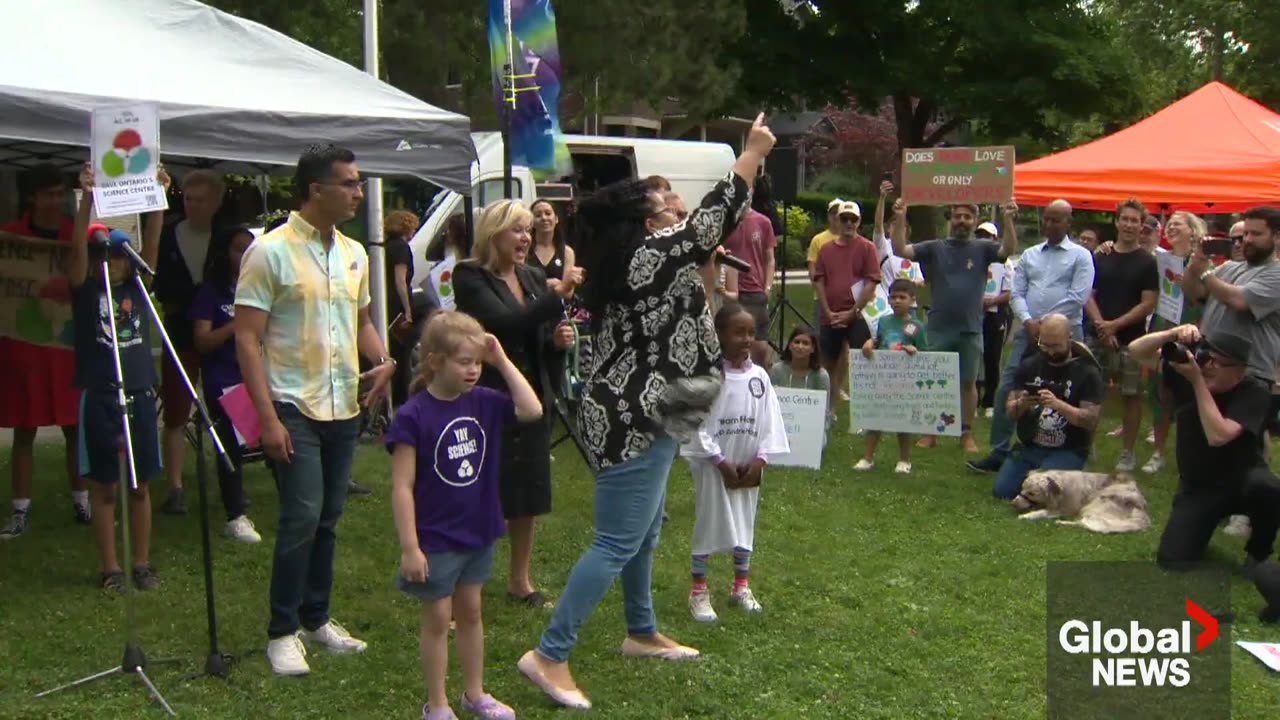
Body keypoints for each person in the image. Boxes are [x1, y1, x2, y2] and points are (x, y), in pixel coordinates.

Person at [516, 113, 777, 710]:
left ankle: (641, 632)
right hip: (638, 415)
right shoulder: (647, 256)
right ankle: (549, 655)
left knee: (646, 530)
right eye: (665, 201)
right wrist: (752, 152)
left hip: (657, 409)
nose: (677, 205)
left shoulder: (638, 257)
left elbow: (699, 237)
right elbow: (716, 218)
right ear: (643, 220)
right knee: (616, 539)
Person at [234, 144, 396, 676]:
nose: (357, 192)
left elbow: (364, 320)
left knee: (328, 516)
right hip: (292, 402)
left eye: (357, 182)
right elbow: (247, 340)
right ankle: (281, 630)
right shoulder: (269, 252)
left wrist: (384, 360)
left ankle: (316, 616)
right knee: (301, 514)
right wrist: (268, 419)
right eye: (348, 183)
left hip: (343, 405)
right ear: (315, 190)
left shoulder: (353, 252)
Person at [388, 311, 542, 720]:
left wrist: (501, 360)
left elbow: (532, 410)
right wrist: (410, 547)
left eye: (477, 362)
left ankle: (474, 694)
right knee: (439, 618)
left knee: (471, 612)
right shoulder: (413, 415)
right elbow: (402, 487)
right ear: (436, 362)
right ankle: (436, 704)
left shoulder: (485, 404)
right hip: (435, 536)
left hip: (477, 529)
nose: (474, 370)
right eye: (464, 362)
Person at [453, 199, 580, 609]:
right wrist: (554, 295)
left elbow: (535, 335)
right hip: (487, 397)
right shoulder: (471, 276)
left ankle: (519, 581)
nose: (526, 238)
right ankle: (460, 584)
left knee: (527, 491)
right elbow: (503, 325)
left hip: (531, 395)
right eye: (517, 230)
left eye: (528, 230)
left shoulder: (531, 275)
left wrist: (557, 344)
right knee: (479, 489)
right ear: (495, 233)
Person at [69, 163, 168, 591]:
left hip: (140, 394)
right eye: (104, 256)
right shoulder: (87, 290)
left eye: (118, 256)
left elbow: (154, 249)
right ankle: (110, 568)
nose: (112, 263)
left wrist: (159, 200)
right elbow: (75, 253)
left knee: (140, 485)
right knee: (105, 488)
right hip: (102, 395)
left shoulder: (137, 291)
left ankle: (141, 563)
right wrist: (87, 198)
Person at [1128, 324, 1280, 573]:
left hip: (1243, 480)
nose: (1208, 366)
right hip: (1199, 486)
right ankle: (1202, 524)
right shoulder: (1188, 374)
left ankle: (1259, 552)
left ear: (1241, 370)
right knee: (1173, 560)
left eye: (1217, 363)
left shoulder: (1254, 392)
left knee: (1269, 489)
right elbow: (1136, 350)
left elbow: (1218, 435)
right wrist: (1172, 334)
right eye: (1204, 358)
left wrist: (1197, 381)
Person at [969, 200, 1094, 474]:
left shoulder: (1081, 256)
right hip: (1028, 333)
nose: (1049, 224)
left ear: (1068, 223)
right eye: (1047, 219)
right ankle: (999, 450)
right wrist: (1027, 320)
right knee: (1008, 387)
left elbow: (1078, 296)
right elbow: (1016, 292)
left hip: (1067, 335)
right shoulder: (1030, 255)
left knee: (1072, 390)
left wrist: (1047, 324)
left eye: (1056, 220)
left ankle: (1073, 450)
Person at [683, 303, 788, 622]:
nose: (746, 339)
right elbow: (697, 424)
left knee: (745, 521)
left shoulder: (760, 377)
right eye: (738, 332)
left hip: (748, 465)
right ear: (719, 335)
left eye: (751, 333)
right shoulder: (707, 377)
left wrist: (761, 460)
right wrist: (719, 460)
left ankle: (740, 585)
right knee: (710, 521)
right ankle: (699, 589)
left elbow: (770, 421)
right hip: (715, 465)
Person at [0, 165, 89, 538]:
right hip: (24, 346)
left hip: (67, 347)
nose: (55, 200)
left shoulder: (75, 238)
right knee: (24, 429)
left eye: (60, 194)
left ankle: (82, 501)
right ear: (33, 198)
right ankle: (20, 510)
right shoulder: (11, 239)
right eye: (48, 194)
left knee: (74, 428)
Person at [891, 198, 1020, 452]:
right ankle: (931, 431)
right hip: (939, 326)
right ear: (950, 219)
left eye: (967, 217)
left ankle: (966, 433)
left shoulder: (983, 248)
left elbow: (1008, 249)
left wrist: (1007, 219)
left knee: (968, 383)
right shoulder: (935, 247)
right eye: (957, 216)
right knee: (933, 381)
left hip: (971, 327)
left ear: (974, 221)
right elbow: (900, 251)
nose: (962, 221)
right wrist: (899, 217)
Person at [153, 170, 226, 515]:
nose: (193, 205)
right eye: (188, 198)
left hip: (220, 335)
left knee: (229, 405)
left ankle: (232, 475)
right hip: (179, 332)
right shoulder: (168, 234)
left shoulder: (226, 239)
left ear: (216, 202)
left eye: (201, 199)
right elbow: (158, 281)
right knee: (176, 414)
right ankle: (176, 487)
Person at [189, 226, 260, 544]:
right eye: (237, 248)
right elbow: (202, 341)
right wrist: (236, 325)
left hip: (261, 374)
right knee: (233, 442)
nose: (244, 255)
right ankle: (236, 514)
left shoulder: (260, 286)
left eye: (250, 248)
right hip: (226, 380)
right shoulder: (211, 292)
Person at [990, 314, 1104, 499]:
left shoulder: (1087, 372)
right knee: (1002, 491)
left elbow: (1090, 420)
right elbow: (1010, 411)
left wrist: (1058, 405)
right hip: (1031, 446)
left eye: (1056, 346)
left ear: (1069, 337)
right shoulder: (1030, 365)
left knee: (1047, 493)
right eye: (1045, 345)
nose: (1050, 352)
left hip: (1069, 448)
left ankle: (1065, 469)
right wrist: (1022, 403)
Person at [1085, 198, 1158, 472]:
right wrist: (1102, 325)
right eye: (1124, 219)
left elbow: (1148, 302)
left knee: (1132, 395)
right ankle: (1086, 443)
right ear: (1116, 222)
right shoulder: (1100, 256)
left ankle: (1127, 453)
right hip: (1098, 335)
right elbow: (1088, 295)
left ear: (1141, 226)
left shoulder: (1147, 262)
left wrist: (1115, 325)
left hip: (1133, 341)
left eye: (1134, 221)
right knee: (1093, 392)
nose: (1129, 224)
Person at [1183, 206, 1280, 390]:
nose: (1248, 240)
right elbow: (1194, 292)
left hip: (1251, 374)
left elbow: (1239, 301)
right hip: (1211, 368)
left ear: (1276, 236)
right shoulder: (1230, 267)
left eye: (1256, 234)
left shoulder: (1277, 273)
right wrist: (1196, 262)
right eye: (1246, 233)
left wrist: (1204, 273)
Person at [1141, 211, 1206, 474]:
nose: (1171, 228)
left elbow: (1206, 299)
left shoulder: (1202, 262)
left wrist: (1189, 282)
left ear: (1193, 231)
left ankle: (1195, 452)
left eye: (1178, 224)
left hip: (1193, 328)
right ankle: (1158, 452)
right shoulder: (1161, 260)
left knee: (1192, 394)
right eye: (1169, 225)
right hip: (1163, 323)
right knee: (1159, 390)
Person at [856, 279, 929, 474]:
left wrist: (915, 350)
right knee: (875, 418)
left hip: (905, 381)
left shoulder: (917, 326)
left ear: (912, 300)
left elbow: (926, 354)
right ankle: (868, 457)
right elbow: (880, 341)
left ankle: (904, 460)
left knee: (902, 421)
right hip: (883, 378)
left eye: (902, 297)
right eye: (893, 297)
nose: (897, 301)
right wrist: (870, 343)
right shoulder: (884, 321)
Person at [813, 201, 880, 410]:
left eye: (853, 219)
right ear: (837, 221)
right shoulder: (825, 249)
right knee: (827, 365)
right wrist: (827, 311)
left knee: (863, 363)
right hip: (830, 316)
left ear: (859, 222)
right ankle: (827, 411)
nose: (849, 223)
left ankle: (865, 411)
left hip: (859, 317)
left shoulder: (868, 248)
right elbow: (819, 281)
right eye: (845, 219)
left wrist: (853, 312)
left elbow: (871, 283)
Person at [721, 200, 777, 365]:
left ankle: (760, 382)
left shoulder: (763, 222)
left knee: (760, 347)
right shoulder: (724, 222)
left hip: (755, 292)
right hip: (729, 292)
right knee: (732, 344)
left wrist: (767, 287)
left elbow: (770, 259)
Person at [384, 210, 419, 407]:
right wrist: (407, 309)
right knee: (402, 353)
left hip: (386, 302)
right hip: (397, 304)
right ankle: (400, 397)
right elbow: (401, 280)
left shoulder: (387, 246)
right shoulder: (402, 249)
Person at [979, 223, 1013, 416]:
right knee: (975, 355)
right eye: (980, 235)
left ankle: (990, 401)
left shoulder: (1005, 263)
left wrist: (993, 300)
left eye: (987, 236)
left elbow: (1010, 292)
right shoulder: (973, 259)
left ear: (995, 239)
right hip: (976, 313)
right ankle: (973, 399)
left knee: (993, 356)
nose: (983, 239)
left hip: (997, 313)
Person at [770, 328, 832, 432]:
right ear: (790, 346)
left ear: (813, 349)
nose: (800, 346)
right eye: (796, 342)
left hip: (811, 427)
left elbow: (824, 412)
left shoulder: (821, 376)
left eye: (805, 343)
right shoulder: (777, 370)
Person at [808, 198, 843, 329]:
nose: (836, 217)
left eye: (839, 213)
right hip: (822, 298)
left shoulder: (851, 238)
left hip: (846, 298)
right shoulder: (818, 240)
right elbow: (812, 270)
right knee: (820, 334)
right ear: (828, 216)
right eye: (833, 213)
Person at [528, 198, 576, 287]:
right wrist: (548, 284)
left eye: (548, 213)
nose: (544, 218)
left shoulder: (567, 252)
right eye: (538, 215)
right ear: (532, 222)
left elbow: (568, 291)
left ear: (556, 219)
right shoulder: (524, 250)